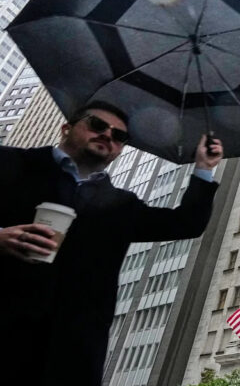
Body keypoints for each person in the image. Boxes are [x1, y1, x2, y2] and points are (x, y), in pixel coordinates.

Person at [0, 101, 223, 385]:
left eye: (119, 136)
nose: (107, 135)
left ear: (120, 149)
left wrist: (204, 167)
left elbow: (187, 223)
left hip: (72, 359)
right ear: (66, 128)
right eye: (97, 125)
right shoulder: (11, 164)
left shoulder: (121, 206)